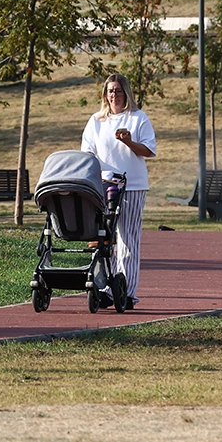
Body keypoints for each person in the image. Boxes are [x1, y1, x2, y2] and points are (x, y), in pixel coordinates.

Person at [80, 74, 156, 310]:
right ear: (105, 94)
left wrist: (129, 142)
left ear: (126, 93)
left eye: (118, 91)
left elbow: (149, 151)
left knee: (128, 239)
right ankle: (107, 287)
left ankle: (127, 292)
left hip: (131, 185)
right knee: (104, 239)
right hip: (103, 186)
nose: (113, 95)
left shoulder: (137, 118)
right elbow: (87, 152)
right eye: (110, 91)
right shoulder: (96, 120)